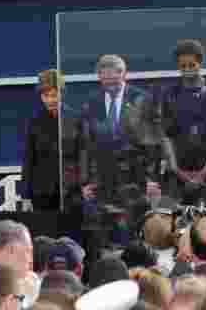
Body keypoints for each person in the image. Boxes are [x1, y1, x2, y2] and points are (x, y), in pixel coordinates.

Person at [80, 55, 159, 246]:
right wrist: (86, 182)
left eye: (114, 79)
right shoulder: (91, 102)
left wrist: (152, 179)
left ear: (124, 74)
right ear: (99, 77)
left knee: (135, 234)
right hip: (104, 179)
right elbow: (85, 145)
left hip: (136, 177)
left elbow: (154, 143)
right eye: (105, 80)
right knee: (105, 236)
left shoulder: (142, 99)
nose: (110, 84)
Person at [161, 41, 206, 208]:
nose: (187, 69)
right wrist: (175, 168)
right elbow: (166, 134)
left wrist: (205, 170)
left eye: (192, 65)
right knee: (174, 221)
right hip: (179, 168)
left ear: (200, 63)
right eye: (183, 65)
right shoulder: (170, 94)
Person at [22, 69, 86, 214]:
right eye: (46, 96)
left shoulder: (76, 119)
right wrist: (26, 196)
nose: (50, 100)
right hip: (42, 194)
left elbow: (84, 155)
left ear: (62, 94)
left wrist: (84, 185)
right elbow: (28, 159)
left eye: (54, 95)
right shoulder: (35, 122)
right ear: (41, 96)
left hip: (71, 192)